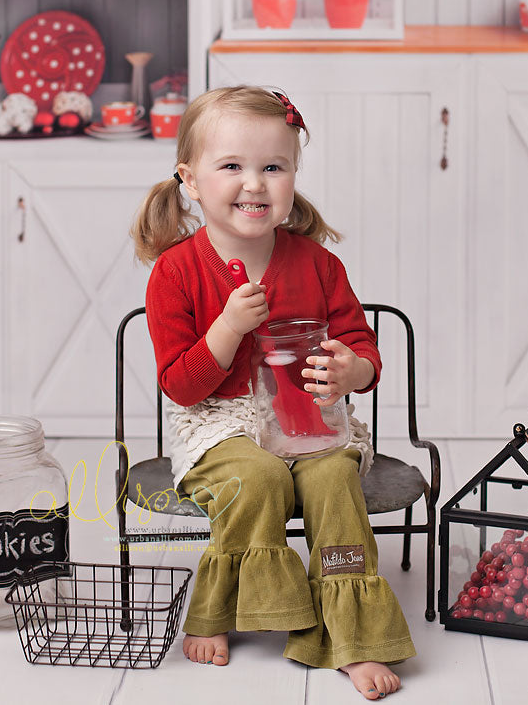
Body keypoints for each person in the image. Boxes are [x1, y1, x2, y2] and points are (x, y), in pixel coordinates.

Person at [132, 86, 415, 700]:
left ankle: (353, 633)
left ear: (293, 177)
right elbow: (181, 386)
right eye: (231, 166)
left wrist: (353, 372)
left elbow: (362, 347)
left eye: (273, 167)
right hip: (219, 424)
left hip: (309, 417)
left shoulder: (317, 264)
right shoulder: (176, 272)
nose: (254, 183)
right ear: (191, 179)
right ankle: (222, 609)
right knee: (258, 479)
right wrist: (229, 328)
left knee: (332, 483)